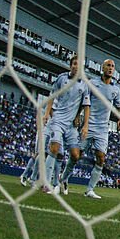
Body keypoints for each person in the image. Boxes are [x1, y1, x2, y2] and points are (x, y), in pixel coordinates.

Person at [57, 59, 120, 200]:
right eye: (108, 66)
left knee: (101, 157)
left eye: (112, 66)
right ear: (102, 67)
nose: (110, 68)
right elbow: (84, 101)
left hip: (103, 129)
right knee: (76, 155)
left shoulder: (116, 89)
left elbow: (118, 106)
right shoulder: (92, 83)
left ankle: (90, 190)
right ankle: (63, 180)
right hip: (89, 124)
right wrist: (77, 115)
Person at [41, 55, 90, 195]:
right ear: (71, 65)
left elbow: (86, 106)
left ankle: (63, 179)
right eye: (74, 63)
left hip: (71, 126)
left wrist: (85, 124)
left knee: (75, 155)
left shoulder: (84, 84)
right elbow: (52, 96)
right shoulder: (62, 78)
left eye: (79, 64)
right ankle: (47, 183)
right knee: (54, 148)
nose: (76, 66)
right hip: (58, 120)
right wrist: (46, 114)